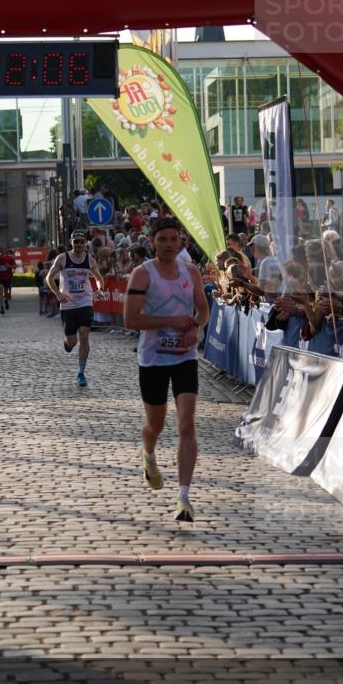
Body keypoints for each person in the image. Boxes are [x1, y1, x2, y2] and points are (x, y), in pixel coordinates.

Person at [123, 216, 210, 523]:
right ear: (153, 243)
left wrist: (195, 327)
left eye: (174, 239)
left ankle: (183, 498)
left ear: (180, 241)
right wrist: (170, 322)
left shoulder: (190, 272)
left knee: (187, 423)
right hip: (153, 358)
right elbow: (130, 319)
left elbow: (203, 310)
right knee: (155, 425)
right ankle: (148, 454)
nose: (169, 245)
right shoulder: (142, 274)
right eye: (163, 239)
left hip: (185, 357)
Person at [45, 230, 104, 387]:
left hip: (85, 302)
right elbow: (49, 278)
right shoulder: (62, 258)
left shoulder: (90, 260)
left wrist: (99, 290)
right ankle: (68, 343)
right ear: (71, 242)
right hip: (68, 304)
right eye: (75, 241)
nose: (78, 244)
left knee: (84, 335)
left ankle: (81, 372)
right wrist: (58, 294)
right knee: (72, 341)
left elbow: (98, 278)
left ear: (85, 243)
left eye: (81, 242)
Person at [0, 246, 16, 314]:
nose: (1, 251)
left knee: (6, 292)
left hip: (7, 277)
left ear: (5, 250)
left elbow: (15, 266)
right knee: (1, 290)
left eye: (2, 249)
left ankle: (6, 301)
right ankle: (1, 307)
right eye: (0, 250)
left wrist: (9, 266)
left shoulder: (10, 258)